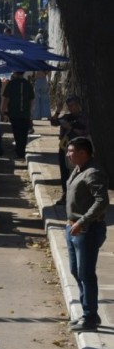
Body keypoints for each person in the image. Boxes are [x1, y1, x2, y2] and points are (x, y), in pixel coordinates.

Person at [64, 137, 109, 332]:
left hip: (87, 230)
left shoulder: (93, 172)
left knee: (86, 273)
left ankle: (90, 317)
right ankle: (87, 312)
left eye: (71, 151)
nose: (68, 154)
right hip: (73, 227)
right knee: (76, 271)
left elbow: (102, 201)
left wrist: (83, 221)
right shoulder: (79, 169)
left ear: (83, 153)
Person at [51, 96, 90, 205]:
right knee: (64, 172)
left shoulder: (83, 117)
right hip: (65, 148)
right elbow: (53, 122)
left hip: (79, 149)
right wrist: (58, 111)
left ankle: (78, 196)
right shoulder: (67, 117)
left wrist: (71, 128)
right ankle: (65, 195)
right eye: (69, 106)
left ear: (78, 105)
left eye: (72, 105)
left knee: (78, 173)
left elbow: (85, 132)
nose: (71, 108)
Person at [1, 71, 35, 159]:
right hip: (25, 113)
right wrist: (30, 112)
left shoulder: (11, 84)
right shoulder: (28, 84)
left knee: (17, 132)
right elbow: (31, 100)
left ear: (15, 73)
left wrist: (3, 111)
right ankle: (21, 150)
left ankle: (19, 151)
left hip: (14, 113)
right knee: (24, 133)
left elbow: (6, 99)